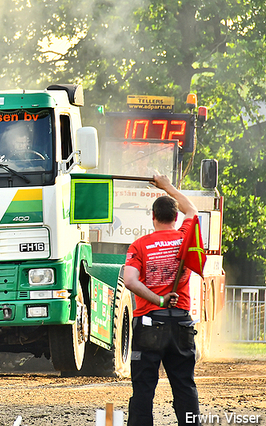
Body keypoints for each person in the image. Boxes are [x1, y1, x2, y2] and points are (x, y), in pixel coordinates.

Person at [123, 174, 201, 426]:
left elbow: (131, 281)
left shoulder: (139, 245)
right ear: (176, 218)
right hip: (180, 324)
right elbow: (192, 208)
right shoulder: (185, 238)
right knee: (184, 385)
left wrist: (158, 298)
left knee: (143, 388)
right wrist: (167, 185)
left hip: (148, 324)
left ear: (153, 217)